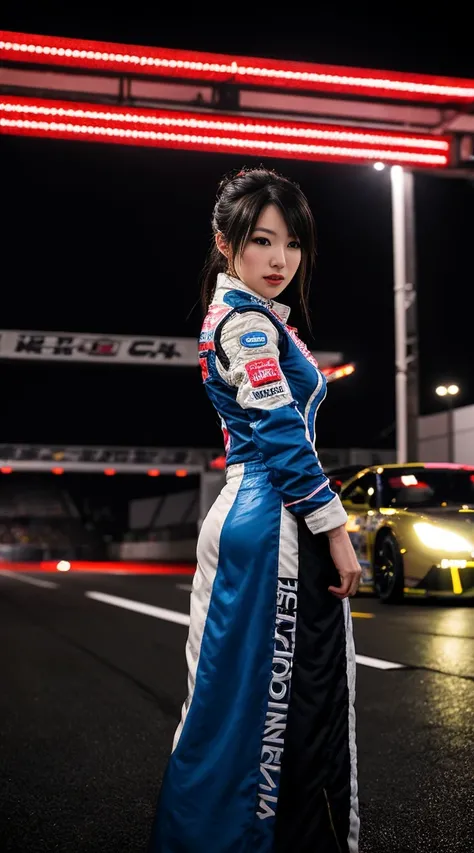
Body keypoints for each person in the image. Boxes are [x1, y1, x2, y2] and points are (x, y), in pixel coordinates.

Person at [149, 166, 361, 853]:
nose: (280, 259)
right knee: (259, 713)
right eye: (262, 240)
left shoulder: (251, 318)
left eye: (292, 243)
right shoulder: (245, 324)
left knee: (226, 705)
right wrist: (336, 528)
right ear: (224, 242)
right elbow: (278, 432)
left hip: (257, 515)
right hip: (271, 523)